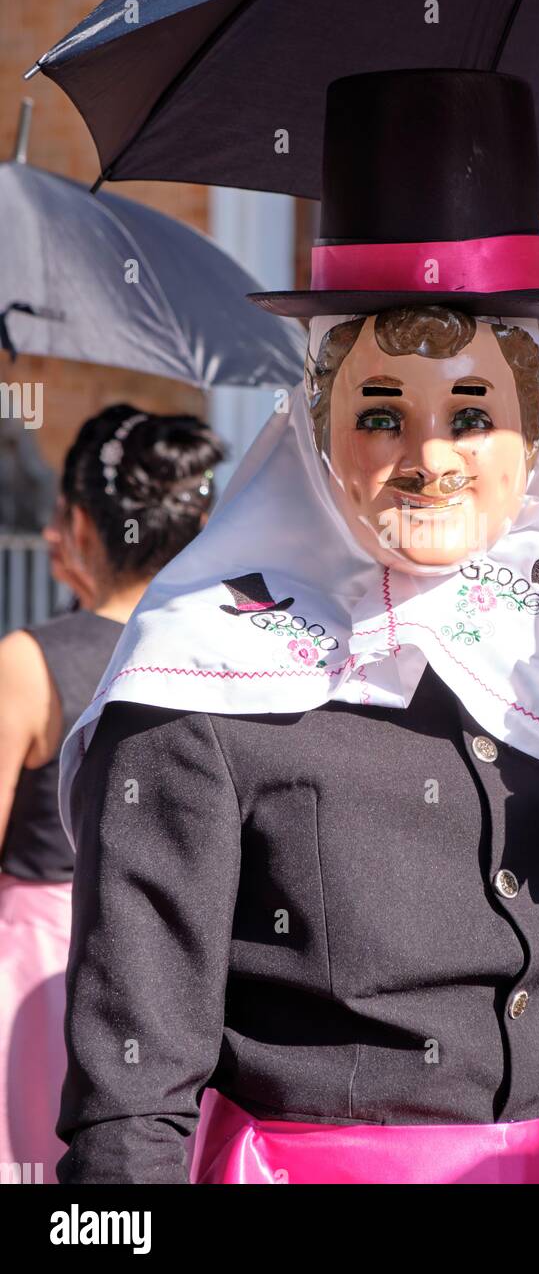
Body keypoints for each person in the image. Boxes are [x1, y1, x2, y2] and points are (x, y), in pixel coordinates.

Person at [54, 70, 539, 1187]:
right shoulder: (198, 689)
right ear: (316, 431)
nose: (431, 454)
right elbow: (126, 1118)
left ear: (531, 435)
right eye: (380, 414)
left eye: (471, 413)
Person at [0, 404, 224, 1181]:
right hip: (186, 984)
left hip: (37, 979)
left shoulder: (31, 660)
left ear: (80, 526)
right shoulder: (226, 665)